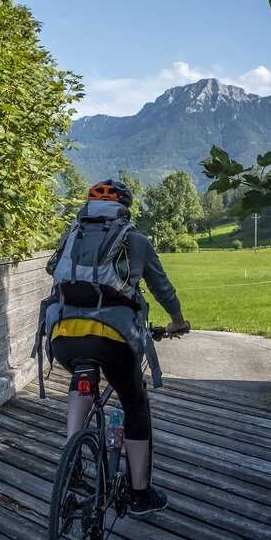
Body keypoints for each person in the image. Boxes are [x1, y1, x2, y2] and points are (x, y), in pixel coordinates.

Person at [40, 179, 188, 519]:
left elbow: (55, 277)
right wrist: (177, 321)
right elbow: (161, 288)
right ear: (125, 209)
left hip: (62, 335)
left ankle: (71, 461)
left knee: (81, 379)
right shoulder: (133, 240)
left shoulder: (71, 236)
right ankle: (140, 494)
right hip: (112, 339)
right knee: (134, 400)